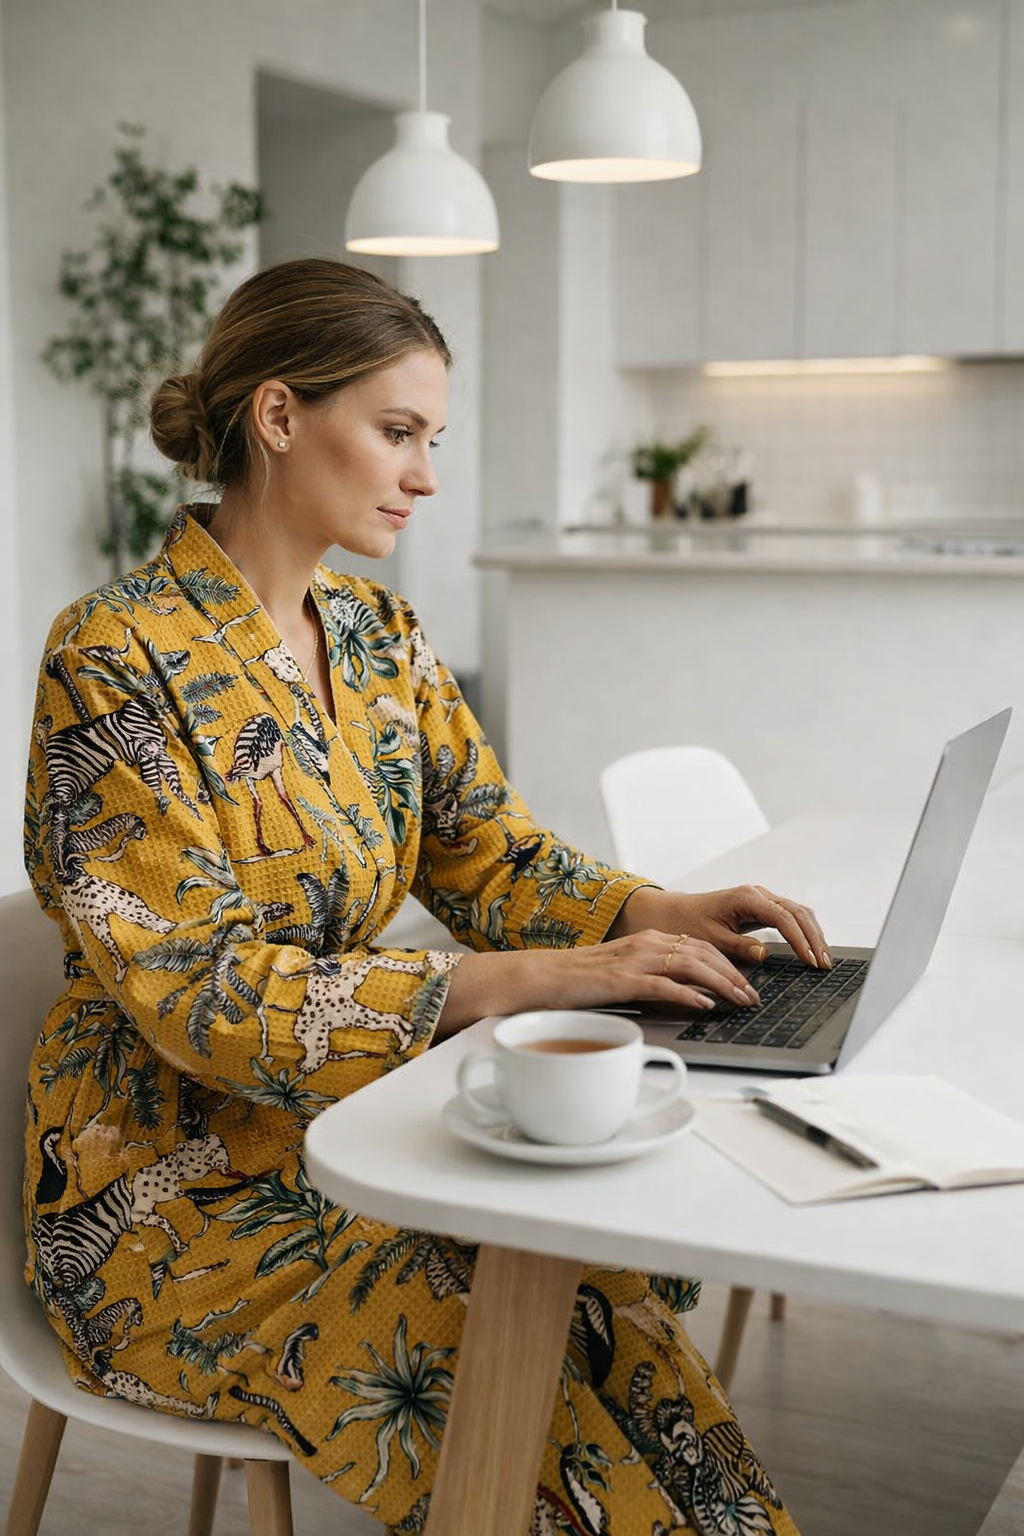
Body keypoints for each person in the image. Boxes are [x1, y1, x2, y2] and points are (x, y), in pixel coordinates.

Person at [24, 258, 827, 1535]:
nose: (427, 476)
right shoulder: (115, 658)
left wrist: (648, 914)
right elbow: (197, 995)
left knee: (586, 1289)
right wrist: (519, 982)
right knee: (493, 1354)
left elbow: (494, 858)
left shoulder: (383, 643)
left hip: (360, 1130)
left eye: (431, 438)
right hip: (174, 1205)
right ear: (279, 417)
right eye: (397, 432)